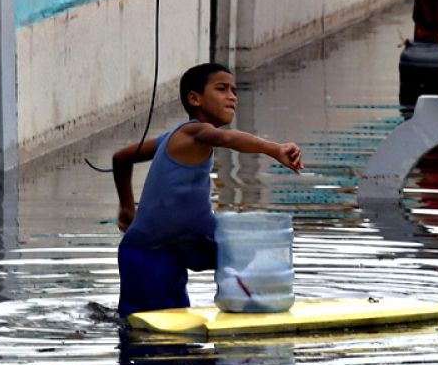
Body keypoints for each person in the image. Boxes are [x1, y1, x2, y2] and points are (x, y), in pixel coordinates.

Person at [112, 63, 303, 317]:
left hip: (172, 251)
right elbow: (227, 139)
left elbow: (121, 158)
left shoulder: (170, 138)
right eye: (222, 89)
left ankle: (250, 305)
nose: (232, 96)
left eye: (234, 90)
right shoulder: (193, 132)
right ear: (195, 98)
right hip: (146, 255)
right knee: (145, 335)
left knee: (176, 327)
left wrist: (127, 206)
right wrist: (274, 149)